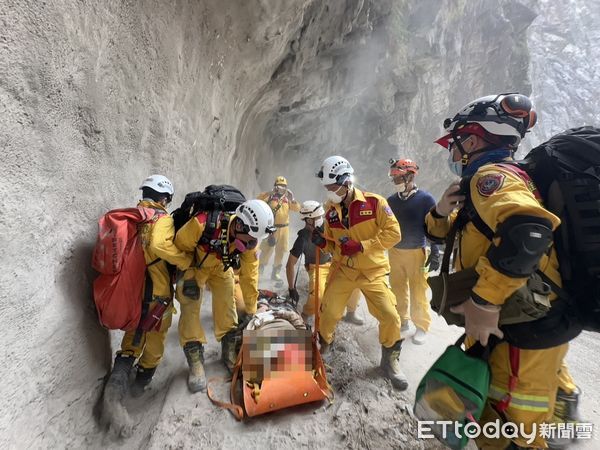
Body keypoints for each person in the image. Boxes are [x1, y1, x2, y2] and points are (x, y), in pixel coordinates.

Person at [426, 94, 578, 449]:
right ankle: (560, 408)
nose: (451, 153)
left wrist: (484, 301)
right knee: (506, 417)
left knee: (512, 430)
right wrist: (439, 213)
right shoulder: (489, 183)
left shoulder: (491, 178)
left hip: (521, 330)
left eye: (455, 143)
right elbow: (457, 235)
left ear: (473, 141)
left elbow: (528, 230)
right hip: (520, 323)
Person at [103, 175, 192, 434]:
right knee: (154, 341)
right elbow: (158, 245)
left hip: (133, 290)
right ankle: (140, 386)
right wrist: (184, 260)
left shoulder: (135, 217)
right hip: (157, 294)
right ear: (164, 198)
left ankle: (115, 390)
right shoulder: (160, 219)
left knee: (132, 338)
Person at [312, 156, 408, 390]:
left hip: (372, 271)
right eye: (326, 187)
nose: (329, 191)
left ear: (346, 181)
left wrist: (363, 245)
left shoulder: (375, 203)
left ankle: (390, 361)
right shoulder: (329, 212)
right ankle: (324, 346)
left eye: (332, 187)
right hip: (343, 269)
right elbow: (334, 246)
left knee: (390, 316)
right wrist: (322, 242)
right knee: (329, 312)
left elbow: (394, 234)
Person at [174, 199, 274, 392]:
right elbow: (179, 245)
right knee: (190, 309)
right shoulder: (202, 223)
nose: (252, 244)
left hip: (221, 267)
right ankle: (195, 362)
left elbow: (250, 275)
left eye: (255, 240)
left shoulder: (250, 241)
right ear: (238, 224)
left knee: (228, 306)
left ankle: (229, 354)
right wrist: (186, 272)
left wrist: (252, 310)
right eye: (250, 239)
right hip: (195, 266)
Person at [387, 158, 440, 344]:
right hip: (394, 252)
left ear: (410, 176)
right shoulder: (391, 201)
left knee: (418, 290)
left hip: (417, 252)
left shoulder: (426, 199)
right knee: (397, 288)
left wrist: (435, 250)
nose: (394, 182)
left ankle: (421, 326)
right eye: (393, 178)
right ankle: (402, 320)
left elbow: (433, 227)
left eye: (398, 178)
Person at [286, 200, 363, 324]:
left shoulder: (328, 228)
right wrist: (291, 288)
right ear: (309, 220)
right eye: (318, 217)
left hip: (334, 263)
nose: (321, 219)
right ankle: (305, 315)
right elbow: (290, 264)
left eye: (321, 216)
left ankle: (351, 313)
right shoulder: (303, 238)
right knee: (318, 296)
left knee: (355, 283)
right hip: (317, 267)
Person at [257, 176, 301, 281]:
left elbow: (297, 209)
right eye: (279, 186)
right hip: (272, 228)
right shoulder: (270, 198)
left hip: (284, 229)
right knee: (267, 249)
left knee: (281, 251)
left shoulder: (287, 199)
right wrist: (269, 193)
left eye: (283, 187)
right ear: (275, 187)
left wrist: (293, 199)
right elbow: (258, 200)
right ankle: (259, 269)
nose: (281, 189)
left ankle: (275, 273)